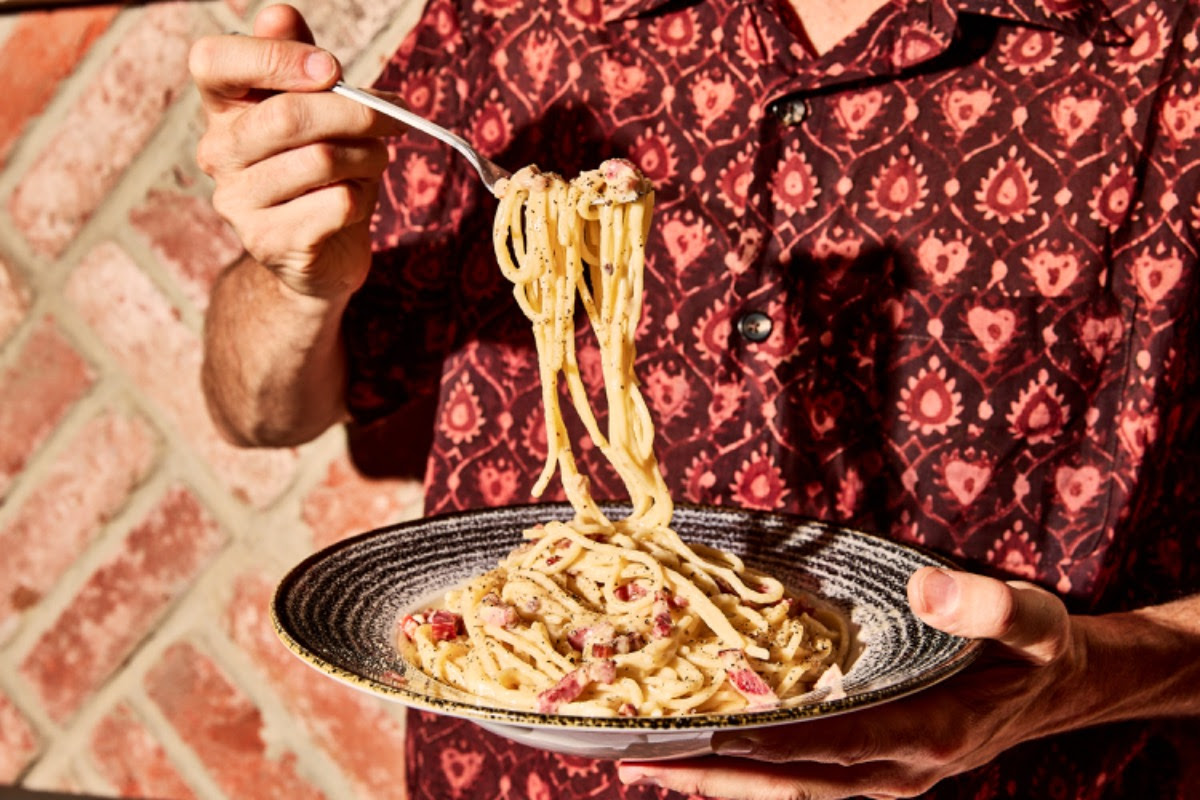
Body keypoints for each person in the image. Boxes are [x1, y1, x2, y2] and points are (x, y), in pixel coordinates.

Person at [189, 0, 1200, 796]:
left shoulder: (1168, 45)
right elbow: (262, 410)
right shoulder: (514, 16)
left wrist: (1089, 674)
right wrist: (291, 282)